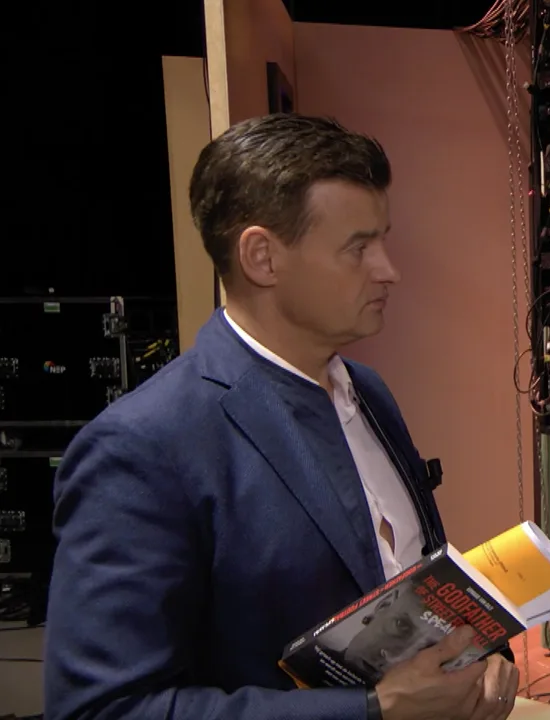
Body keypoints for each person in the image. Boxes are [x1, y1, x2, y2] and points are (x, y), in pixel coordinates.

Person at [43, 114, 520, 720]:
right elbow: (101, 709)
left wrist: (480, 655)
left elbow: (415, 583)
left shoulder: (370, 394)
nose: (388, 269)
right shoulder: (140, 448)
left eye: (383, 240)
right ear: (262, 257)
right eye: (358, 247)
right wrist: (372, 711)